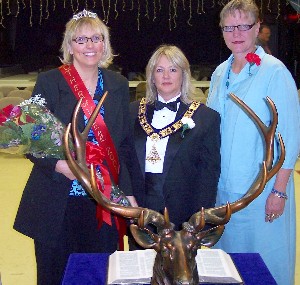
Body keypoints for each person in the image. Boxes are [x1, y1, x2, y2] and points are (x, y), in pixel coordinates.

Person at [13, 10, 137, 285]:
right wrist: (59, 165)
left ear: (105, 43)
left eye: (96, 38)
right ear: (69, 46)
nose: (89, 46)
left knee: (100, 274)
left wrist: (128, 193)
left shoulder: (118, 84)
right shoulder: (51, 81)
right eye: (81, 40)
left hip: (103, 198)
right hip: (58, 197)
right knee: (55, 274)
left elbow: (125, 146)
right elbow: (31, 137)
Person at [206, 1, 300, 285]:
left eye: (243, 25)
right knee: (227, 266)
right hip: (224, 193)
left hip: (262, 192)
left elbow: (290, 137)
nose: (236, 33)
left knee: (263, 265)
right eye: (229, 27)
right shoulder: (219, 73)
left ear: (257, 27)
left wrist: (279, 191)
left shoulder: (274, 72)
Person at [129, 45, 221, 232]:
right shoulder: (131, 112)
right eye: (159, 70)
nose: (166, 76)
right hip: (138, 210)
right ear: (151, 76)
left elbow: (208, 174)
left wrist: (200, 218)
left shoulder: (206, 118)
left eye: (173, 70)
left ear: (184, 75)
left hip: (183, 216)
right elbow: (123, 161)